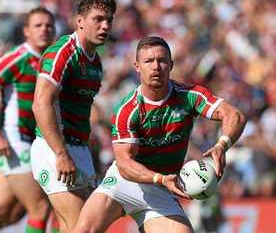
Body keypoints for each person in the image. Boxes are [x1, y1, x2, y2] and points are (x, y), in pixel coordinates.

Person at [71, 36, 247, 233]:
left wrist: (222, 144)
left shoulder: (189, 95)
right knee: (83, 230)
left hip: (161, 191)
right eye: (149, 61)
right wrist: (160, 179)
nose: (156, 66)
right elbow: (124, 165)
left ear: (171, 65)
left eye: (162, 60)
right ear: (137, 66)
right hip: (123, 184)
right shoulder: (128, 109)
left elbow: (235, 115)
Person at [0, 7, 56, 233]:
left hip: (34, 143)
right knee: (41, 208)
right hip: (14, 141)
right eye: (38, 25)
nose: (44, 29)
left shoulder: (53, 61)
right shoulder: (18, 58)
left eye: (48, 25)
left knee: (3, 214)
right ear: (26, 31)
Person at [30, 0, 116, 232]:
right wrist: (60, 153)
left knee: (82, 226)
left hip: (80, 150)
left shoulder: (95, 61)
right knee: (81, 226)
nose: (105, 26)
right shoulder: (63, 53)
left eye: (109, 20)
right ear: (79, 21)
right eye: (98, 20)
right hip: (55, 148)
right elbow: (40, 104)